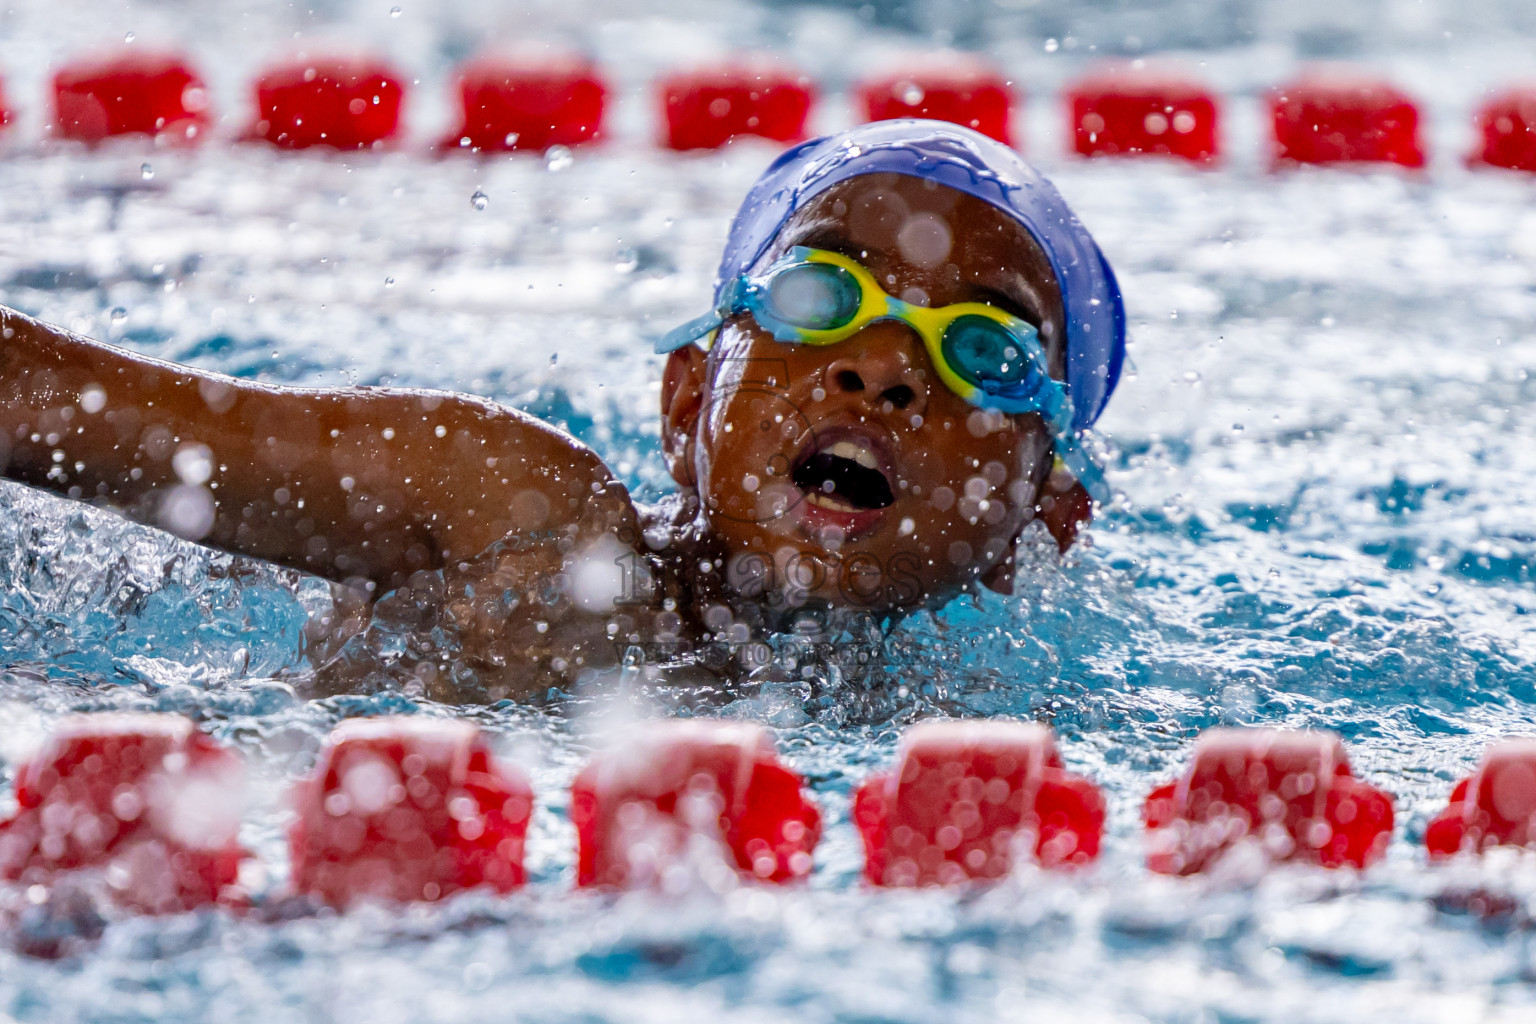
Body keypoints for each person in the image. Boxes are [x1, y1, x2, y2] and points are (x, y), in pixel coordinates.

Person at [0, 119, 1124, 701]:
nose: (880, 367)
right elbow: (68, 408)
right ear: (686, 406)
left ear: (1045, 520)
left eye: (989, 347)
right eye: (819, 295)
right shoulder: (524, 517)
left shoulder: (977, 737)